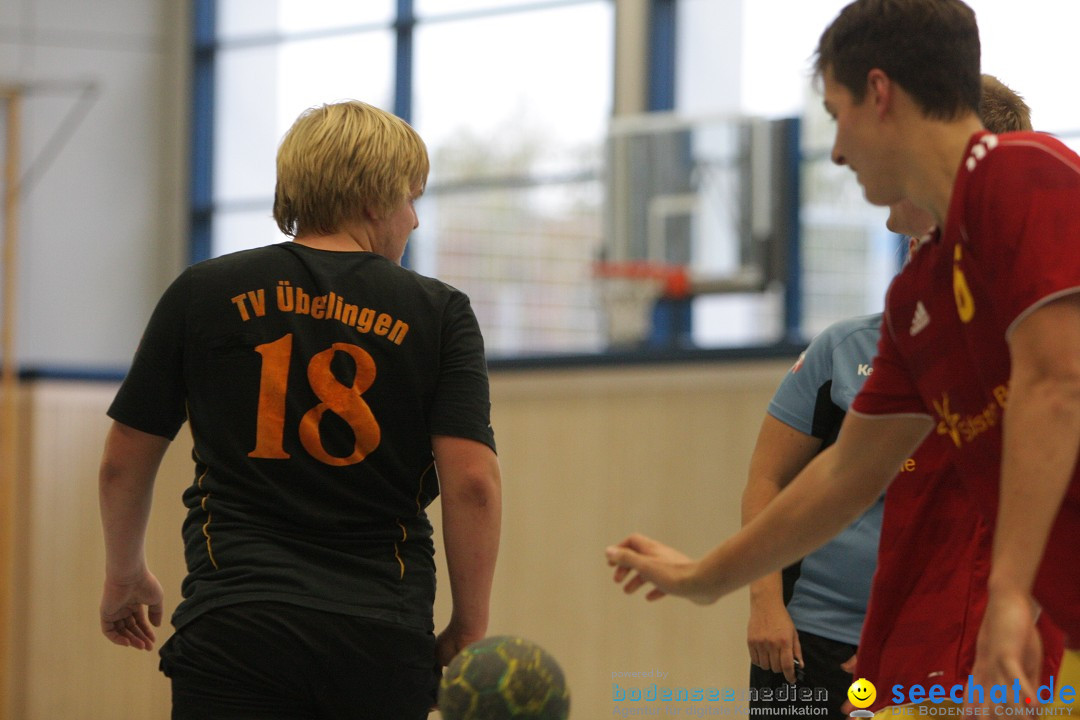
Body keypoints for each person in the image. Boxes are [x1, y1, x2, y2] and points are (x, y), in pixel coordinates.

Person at [605, 0, 1080, 700]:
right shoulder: (919, 299)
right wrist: (702, 578)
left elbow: (1056, 384)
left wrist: (1009, 596)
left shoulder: (1029, 176)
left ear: (879, 95)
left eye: (836, 113)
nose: (834, 149)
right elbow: (843, 476)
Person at [98, 100, 502, 719]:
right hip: (379, 630)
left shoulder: (203, 291)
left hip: (235, 622)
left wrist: (125, 573)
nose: (414, 221)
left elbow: (123, 460)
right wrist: (469, 627)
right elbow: (472, 483)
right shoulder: (439, 312)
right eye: (410, 199)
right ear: (374, 199)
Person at [744, 74, 1060, 717]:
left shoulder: (1042, 327)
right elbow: (823, 479)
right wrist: (755, 597)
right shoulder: (882, 343)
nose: (843, 155)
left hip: (987, 651)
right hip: (853, 646)